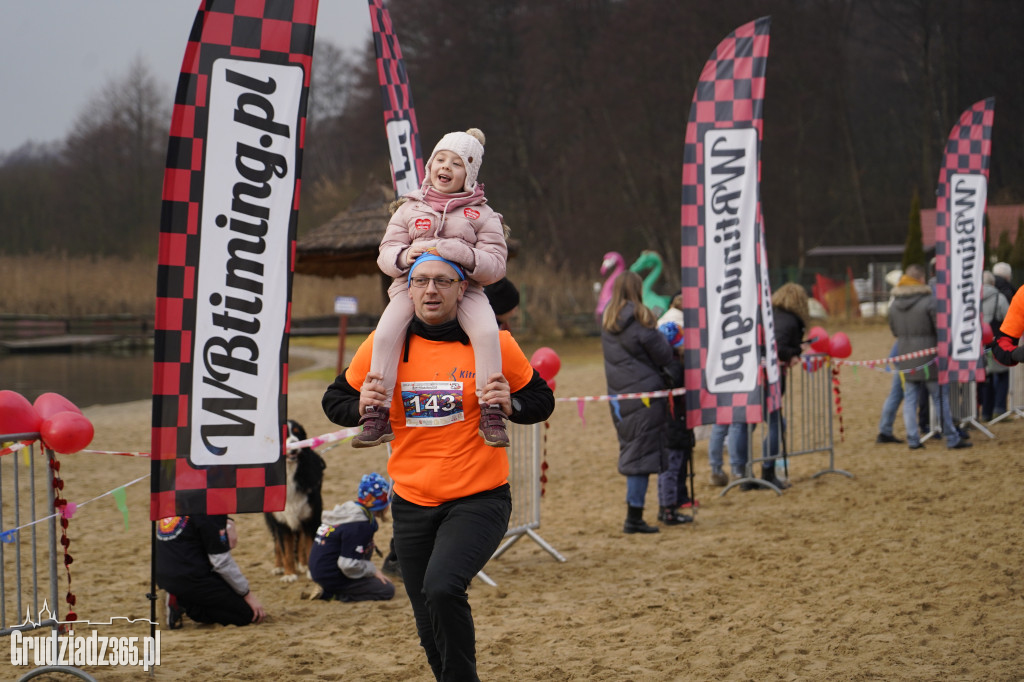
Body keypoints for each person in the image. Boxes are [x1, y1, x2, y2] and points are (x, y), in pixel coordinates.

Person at [322, 253, 554, 682]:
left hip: (479, 497)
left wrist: (511, 403)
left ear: (462, 289)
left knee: (444, 586)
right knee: (426, 613)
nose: (431, 290)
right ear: (407, 289)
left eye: (443, 281)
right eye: (422, 281)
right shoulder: (383, 345)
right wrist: (361, 405)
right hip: (411, 501)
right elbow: (333, 401)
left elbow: (541, 401)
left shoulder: (494, 343)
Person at [356, 127, 510, 449]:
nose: (445, 167)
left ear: (468, 174)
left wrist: (465, 254)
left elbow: (496, 265)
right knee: (384, 336)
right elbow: (384, 254)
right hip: (410, 285)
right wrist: (402, 256)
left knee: (486, 334)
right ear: (430, 166)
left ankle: (491, 410)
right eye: (440, 159)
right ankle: (376, 412)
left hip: (464, 289)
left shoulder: (483, 214)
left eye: (456, 163)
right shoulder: (409, 208)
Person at [601, 270, 674, 533]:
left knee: (633, 451)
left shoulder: (609, 321)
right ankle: (634, 517)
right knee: (640, 457)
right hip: (644, 396)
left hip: (621, 398)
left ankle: (635, 513)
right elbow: (663, 354)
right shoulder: (640, 319)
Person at [889, 264, 971, 450]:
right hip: (930, 359)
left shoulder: (894, 304)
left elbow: (894, 331)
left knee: (910, 399)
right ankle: (951, 437)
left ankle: (913, 439)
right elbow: (940, 329)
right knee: (940, 398)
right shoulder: (930, 301)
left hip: (905, 356)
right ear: (920, 279)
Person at [156, 515, 267, 628]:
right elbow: (221, 563)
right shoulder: (210, 514)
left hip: (164, 576)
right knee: (248, 615)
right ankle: (182, 603)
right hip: (192, 578)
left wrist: (226, 521)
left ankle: (177, 596)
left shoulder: (180, 501)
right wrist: (246, 594)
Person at [308, 473, 395, 603]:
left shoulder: (350, 511)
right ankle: (331, 594)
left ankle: (328, 587)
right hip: (332, 575)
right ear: (383, 504)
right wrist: (372, 570)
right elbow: (348, 566)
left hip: (318, 570)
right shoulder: (360, 525)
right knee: (386, 589)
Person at [762, 282, 810, 489]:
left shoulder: (768, 313)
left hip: (755, 374)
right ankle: (767, 470)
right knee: (776, 423)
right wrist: (794, 352)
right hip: (771, 376)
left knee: (749, 424)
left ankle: (742, 472)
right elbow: (779, 348)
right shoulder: (791, 320)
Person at [655, 302, 695, 525]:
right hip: (675, 422)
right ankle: (669, 508)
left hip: (671, 422)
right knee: (671, 466)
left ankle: (667, 505)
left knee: (669, 466)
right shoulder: (676, 367)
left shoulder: (663, 364)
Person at [979, 271, 1010, 421]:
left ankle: (985, 412)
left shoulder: (973, 298)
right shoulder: (999, 297)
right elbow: (1008, 318)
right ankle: (1000, 409)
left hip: (979, 345)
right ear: (993, 283)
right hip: (997, 343)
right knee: (1003, 375)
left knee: (985, 379)